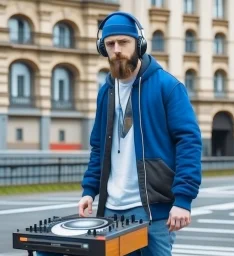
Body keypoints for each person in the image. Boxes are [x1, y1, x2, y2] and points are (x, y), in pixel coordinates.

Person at [37, 11, 202, 256]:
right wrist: (89, 191)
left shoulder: (168, 87)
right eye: (110, 44)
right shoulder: (106, 91)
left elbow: (189, 143)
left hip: (153, 211)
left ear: (140, 44)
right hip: (110, 210)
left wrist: (183, 201)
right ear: (102, 48)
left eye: (123, 42)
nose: (116, 50)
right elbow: (98, 147)